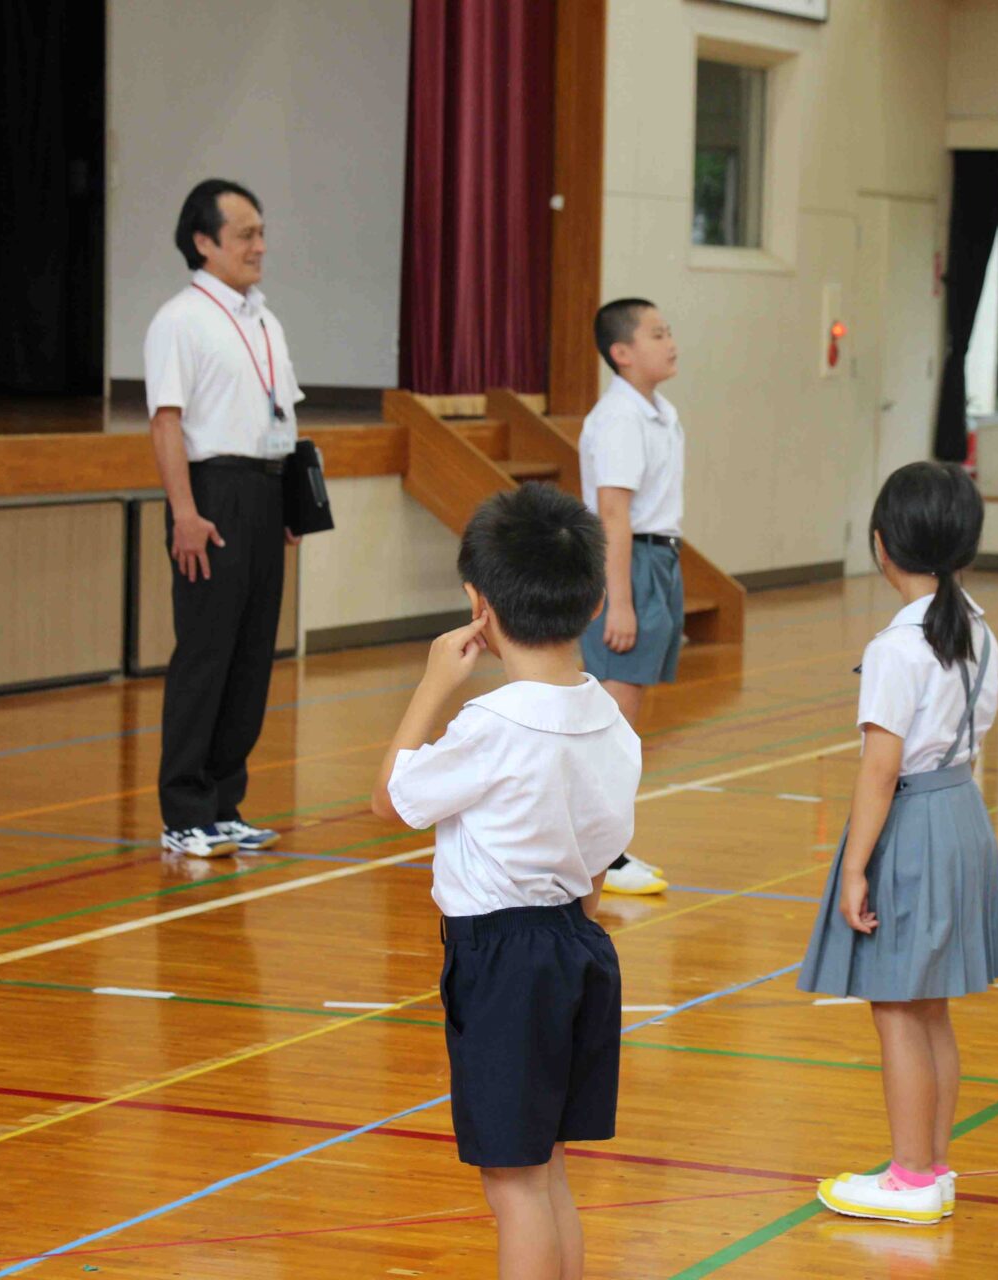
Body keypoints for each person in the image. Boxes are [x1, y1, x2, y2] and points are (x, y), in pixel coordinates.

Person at [372, 484, 640, 1280]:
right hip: (578, 944)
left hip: (503, 962)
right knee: (546, 1169)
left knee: (514, 1184)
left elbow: (389, 798)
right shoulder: (612, 721)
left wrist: (432, 684)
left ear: (477, 605)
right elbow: (599, 864)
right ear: (595, 601)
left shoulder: (491, 724)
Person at [800, 461, 998, 1226]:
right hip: (963, 815)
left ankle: (911, 1178)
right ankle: (932, 1166)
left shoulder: (898, 645)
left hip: (916, 822)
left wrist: (855, 866)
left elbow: (880, 769)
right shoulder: (978, 628)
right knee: (930, 1010)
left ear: (882, 544)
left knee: (896, 1008)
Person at [145, 178, 303, 858]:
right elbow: (166, 423)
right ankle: (183, 812)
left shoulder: (265, 321)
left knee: (251, 655)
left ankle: (223, 802)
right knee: (206, 654)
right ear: (204, 242)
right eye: (245, 235)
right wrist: (185, 511)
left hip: (264, 492)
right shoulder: (180, 320)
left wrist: (290, 503)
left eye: (261, 233)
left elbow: (282, 416)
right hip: (213, 493)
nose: (259, 246)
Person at [578, 298, 685, 896]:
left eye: (669, 332)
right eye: (657, 334)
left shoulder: (660, 413)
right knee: (614, 719)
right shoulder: (619, 417)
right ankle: (601, 853)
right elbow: (613, 513)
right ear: (621, 353)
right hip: (629, 562)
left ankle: (604, 846)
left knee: (626, 716)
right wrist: (619, 601)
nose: (670, 343)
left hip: (658, 557)